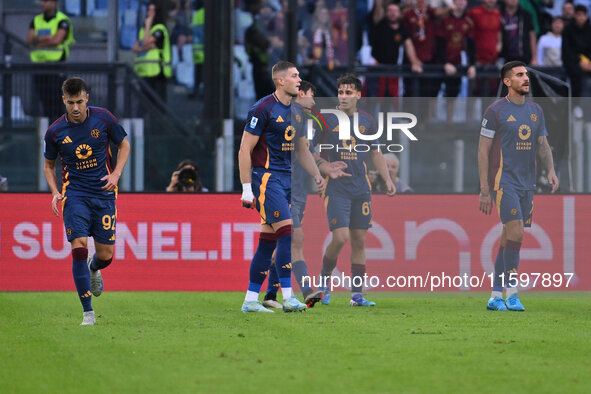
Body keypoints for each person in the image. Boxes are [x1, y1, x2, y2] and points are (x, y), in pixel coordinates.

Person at [238, 61, 326, 313]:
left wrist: (316, 174)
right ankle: (288, 297)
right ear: (280, 81)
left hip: (286, 179)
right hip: (266, 178)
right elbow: (245, 148)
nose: (300, 79)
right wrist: (246, 188)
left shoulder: (297, 112)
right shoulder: (262, 108)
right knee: (288, 232)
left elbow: (301, 149)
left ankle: (250, 301)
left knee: (267, 242)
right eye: (294, 76)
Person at [43, 77, 131, 325]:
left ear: (87, 98)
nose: (76, 108)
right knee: (78, 247)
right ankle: (88, 313)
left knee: (106, 256)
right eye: (70, 102)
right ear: (64, 100)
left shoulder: (103, 118)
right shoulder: (55, 131)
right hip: (75, 195)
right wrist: (54, 191)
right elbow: (48, 166)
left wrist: (116, 174)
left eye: (80, 101)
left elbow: (124, 145)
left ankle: (95, 269)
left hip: (103, 194)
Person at [478, 61, 558, 312]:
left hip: (528, 184)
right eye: (520, 75)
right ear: (507, 81)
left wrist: (551, 170)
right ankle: (512, 293)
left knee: (508, 239)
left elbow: (543, 144)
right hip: (504, 182)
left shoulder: (536, 110)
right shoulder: (495, 111)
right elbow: (483, 149)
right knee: (517, 235)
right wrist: (484, 189)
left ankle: (494, 296)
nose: (526, 78)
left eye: (526, 74)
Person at [262, 80, 347, 309]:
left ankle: (270, 295)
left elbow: (311, 154)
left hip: (299, 190)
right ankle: (307, 290)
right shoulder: (281, 115)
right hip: (279, 187)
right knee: (294, 239)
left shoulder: (316, 122)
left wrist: (322, 172)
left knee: (283, 243)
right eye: (312, 94)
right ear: (301, 93)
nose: (313, 99)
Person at [315, 73, 396, 307]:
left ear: (358, 95)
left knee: (359, 240)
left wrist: (387, 179)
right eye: (340, 92)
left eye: (348, 92)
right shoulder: (326, 119)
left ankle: (357, 295)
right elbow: (310, 150)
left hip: (361, 187)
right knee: (340, 238)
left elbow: (375, 152)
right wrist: (325, 167)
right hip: (336, 186)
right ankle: (324, 281)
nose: (343, 96)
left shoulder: (368, 121)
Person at [27, 0, 75, 120]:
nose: (43, 4)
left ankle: (60, 131)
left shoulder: (62, 21)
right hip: (39, 66)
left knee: (57, 102)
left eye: (46, 1)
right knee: (44, 101)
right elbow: (30, 40)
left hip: (56, 66)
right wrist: (48, 38)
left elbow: (56, 40)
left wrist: (39, 40)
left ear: (54, 3)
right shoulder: (36, 20)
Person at [133, 2, 172, 102]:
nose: (149, 13)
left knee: (157, 102)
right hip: (144, 71)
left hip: (157, 72)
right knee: (144, 101)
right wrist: (144, 48)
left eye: (152, 10)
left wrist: (148, 25)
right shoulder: (143, 30)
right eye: (148, 10)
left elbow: (145, 42)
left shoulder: (159, 29)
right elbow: (135, 47)